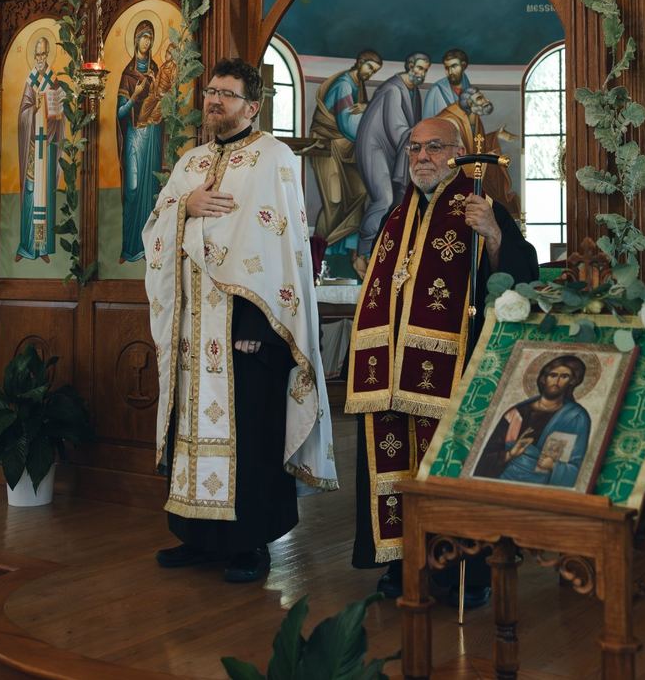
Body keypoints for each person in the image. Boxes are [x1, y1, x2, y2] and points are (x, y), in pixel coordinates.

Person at [144, 58, 336, 583]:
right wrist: (186, 205)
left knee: (251, 435)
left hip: (248, 330)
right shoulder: (189, 163)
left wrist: (257, 330)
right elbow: (155, 229)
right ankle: (197, 536)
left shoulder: (272, 157)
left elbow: (279, 252)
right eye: (210, 92)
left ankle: (250, 543)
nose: (215, 102)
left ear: (253, 106)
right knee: (191, 431)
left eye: (227, 95)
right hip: (192, 329)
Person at [347, 114, 539, 604]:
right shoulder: (396, 213)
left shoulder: (479, 205)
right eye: (414, 148)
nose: (422, 158)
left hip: (453, 370)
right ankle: (401, 563)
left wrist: (494, 235)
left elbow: (520, 278)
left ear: (457, 152)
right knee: (397, 471)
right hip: (391, 374)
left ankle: (463, 573)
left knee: (448, 467)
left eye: (434, 147)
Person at [354, 52, 431, 269]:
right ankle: (364, 252)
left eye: (424, 70)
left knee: (400, 199)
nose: (420, 73)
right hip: (375, 149)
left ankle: (388, 250)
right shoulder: (393, 90)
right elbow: (397, 129)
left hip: (394, 151)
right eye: (417, 68)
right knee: (384, 199)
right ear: (409, 66)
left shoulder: (413, 92)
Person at [308, 50, 383, 261]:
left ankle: (344, 252)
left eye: (374, 71)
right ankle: (318, 256)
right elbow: (347, 124)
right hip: (328, 147)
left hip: (346, 149)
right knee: (334, 202)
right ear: (359, 62)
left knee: (359, 192)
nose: (370, 73)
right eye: (369, 67)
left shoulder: (358, 86)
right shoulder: (344, 85)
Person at [474, 355, 592, 486]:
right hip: (503, 481)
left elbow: (578, 466)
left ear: (572, 381)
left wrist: (554, 466)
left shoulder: (576, 417)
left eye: (564, 376)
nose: (557, 381)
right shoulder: (515, 414)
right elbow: (486, 458)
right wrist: (510, 454)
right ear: (544, 378)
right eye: (553, 375)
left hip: (540, 489)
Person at [117, 19, 170, 262]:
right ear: (136, 40)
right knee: (133, 187)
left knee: (150, 189)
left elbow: (163, 99)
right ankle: (129, 247)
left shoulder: (156, 71)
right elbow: (119, 113)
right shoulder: (127, 74)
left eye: (150, 37)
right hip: (133, 134)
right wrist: (135, 96)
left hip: (152, 135)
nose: (146, 42)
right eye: (143, 37)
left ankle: (148, 249)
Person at [15, 35, 64, 262]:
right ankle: (27, 245)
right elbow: (22, 115)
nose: (41, 58)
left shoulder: (53, 82)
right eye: (37, 54)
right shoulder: (30, 81)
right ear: (33, 56)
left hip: (47, 146)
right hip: (33, 147)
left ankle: (42, 246)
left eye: (44, 54)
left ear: (48, 55)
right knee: (31, 194)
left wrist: (56, 113)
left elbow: (58, 118)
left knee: (45, 196)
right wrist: (32, 109)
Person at [422, 48, 473, 118]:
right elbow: (426, 123)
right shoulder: (436, 90)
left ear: (463, 66)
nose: (450, 72)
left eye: (454, 66)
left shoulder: (469, 89)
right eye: (447, 68)